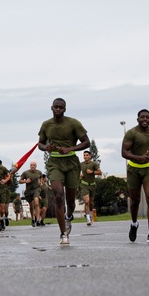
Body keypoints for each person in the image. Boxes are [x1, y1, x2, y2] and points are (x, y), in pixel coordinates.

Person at [37, 98, 90, 245]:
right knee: (58, 196)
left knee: (71, 202)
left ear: (65, 109)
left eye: (61, 107)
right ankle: (63, 234)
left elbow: (86, 142)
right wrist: (45, 147)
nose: (58, 109)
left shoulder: (73, 123)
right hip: (55, 163)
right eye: (56, 107)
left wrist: (70, 148)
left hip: (71, 162)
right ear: (52, 108)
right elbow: (40, 143)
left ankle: (68, 216)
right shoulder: (46, 124)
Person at [122, 109, 149, 244]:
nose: (145, 119)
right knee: (135, 201)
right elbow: (124, 152)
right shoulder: (132, 133)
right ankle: (134, 224)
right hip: (134, 169)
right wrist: (138, 158)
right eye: (142, 117)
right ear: (138, 119)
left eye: (147, 118)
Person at [79, 150, 102, 226]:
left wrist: (92, 172)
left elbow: (100, 172)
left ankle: (91, 215)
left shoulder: (93, 164)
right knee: (86, 201)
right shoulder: (81, 164)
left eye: (87, 155)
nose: (85, 156)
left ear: (90, 156)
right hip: (84, 184)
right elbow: (76, 172)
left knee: (91, 203)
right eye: (84, 155)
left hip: (92, 185)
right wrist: (80, 175)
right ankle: (88, 219)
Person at [18, 161, 43, 227]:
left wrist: (40, 183)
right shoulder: (26, 173)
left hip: (36, 189)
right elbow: (20, 181)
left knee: (36, 202)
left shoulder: (39, 172)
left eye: (34, 165)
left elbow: (41, 179)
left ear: (36, 166)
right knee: (31, 206)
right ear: (30, 166)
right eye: (31, 165)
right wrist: (26, 181)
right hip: (29, 191)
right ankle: (32, 218)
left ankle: (37, 220)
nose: (32, 166)